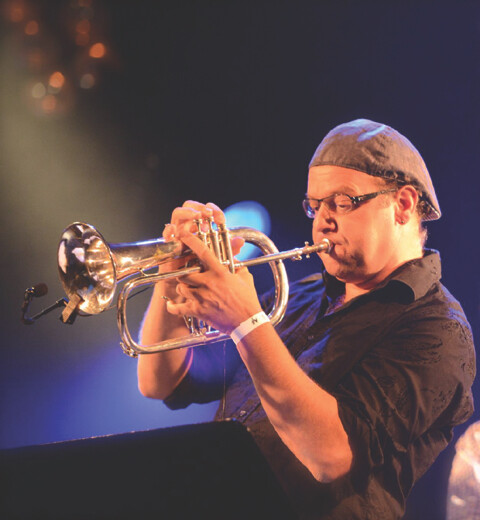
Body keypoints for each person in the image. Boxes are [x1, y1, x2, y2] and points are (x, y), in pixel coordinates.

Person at [137, 119, 476, 519]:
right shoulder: (301, 294)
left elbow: (331, 455)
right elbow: (160, 381)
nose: (321, 221)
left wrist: (247, 323)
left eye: (342, 202)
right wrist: (171, 271)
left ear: (402, 204)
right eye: (315, 205)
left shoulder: (438, 328)